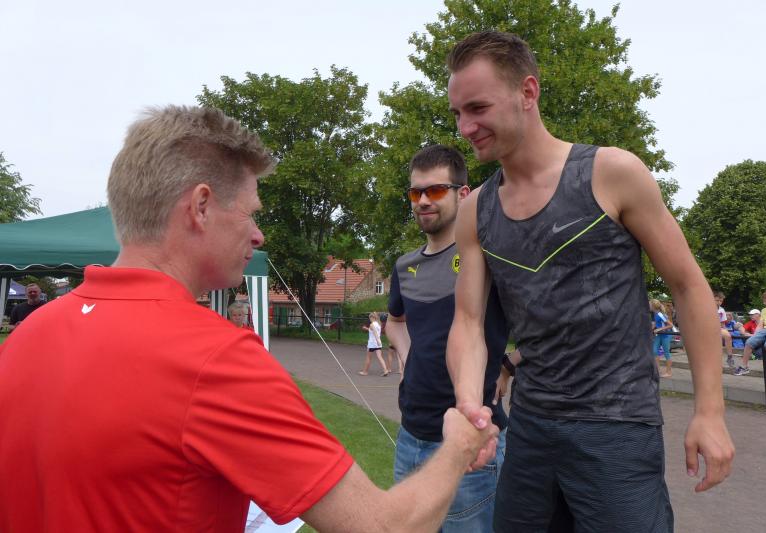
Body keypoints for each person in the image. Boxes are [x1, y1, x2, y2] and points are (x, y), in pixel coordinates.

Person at [0, 106, 498, 532]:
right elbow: (384, 525)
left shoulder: (27, 337)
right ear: (200, 207)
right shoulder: (217, 360)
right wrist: (458, 446)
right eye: (250, 212)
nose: (258, 235)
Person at [445, 31, 734, 532]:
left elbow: (689, 286)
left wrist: (710, 410)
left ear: (527, 92)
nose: (465, 127)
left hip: (616, 429)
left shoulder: (611, 173)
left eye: (478, 108)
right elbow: (468, 321)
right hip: (531, 431)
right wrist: (472, 407)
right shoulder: (476, 211)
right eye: (457, 113)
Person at [385, 144, 510, 532]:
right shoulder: (404, 266)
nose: (423, 201)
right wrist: (408, 358)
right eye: (415, 193)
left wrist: (509, 366)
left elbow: (545, 322)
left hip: (471, 440)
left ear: (463, 194)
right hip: (411, 434)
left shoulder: (488, 258)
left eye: (436, 190)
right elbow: (395, 322)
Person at [359, 311, 389, 376]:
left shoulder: (372, 324)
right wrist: (378, 341)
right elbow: (372, 331)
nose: (369, 319)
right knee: (380, 357)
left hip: (372, 344)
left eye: (370, 318)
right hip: (378, 344)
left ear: (372, 318)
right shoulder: (379, 324)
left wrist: (377, 340)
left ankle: (365, 372)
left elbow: (375, 332)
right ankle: (385, 370)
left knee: (368, 358)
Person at [651, 299, 674, 377]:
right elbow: (655, 324)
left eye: (649, 305)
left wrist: (659, 329)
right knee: (654, 351)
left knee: (666, 353)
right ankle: (657, 370)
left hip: (666, 335)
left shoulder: (660, 314)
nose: (648, 306)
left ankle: (669, 372)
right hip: (660, 335)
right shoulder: (655, 314)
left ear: (653, 306)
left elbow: (670, 325)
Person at [715, 291, 736, 368]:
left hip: (718, 329)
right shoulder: (707, 308)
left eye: (721, 301)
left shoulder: (721, 310)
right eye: (717, 300)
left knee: (728, 335)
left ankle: (730, 357)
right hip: (707, 328)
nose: (719, 302)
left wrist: (725, 330)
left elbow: (723, 324)